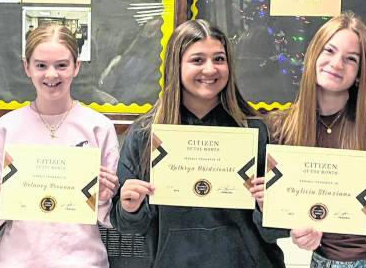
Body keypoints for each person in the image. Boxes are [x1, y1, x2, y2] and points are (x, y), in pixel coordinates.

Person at [110, 19, 285, 267]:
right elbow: (127, 226)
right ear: (176, 65)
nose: (210, 69)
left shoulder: (254, 131)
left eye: (219, 59)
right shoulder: (146, 134)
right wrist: (130, 207)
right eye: (197, 60)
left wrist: (271, 207)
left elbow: (277, 231)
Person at [264, 12, 366, 268]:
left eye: (351, 59)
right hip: (325, 261)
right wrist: (297, 231)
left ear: (361, 71)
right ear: (314, 53)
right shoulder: (282, 127)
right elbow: (281, 207)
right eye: (329, 51)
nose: (337, 63)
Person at [0, 24, 119, 267]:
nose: (51, 75)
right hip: (16, 260)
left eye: (62, 65)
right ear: (27, 67)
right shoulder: (8, 127)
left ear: (76, 67)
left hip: (82, 261)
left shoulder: (99, 127)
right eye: (41, 65)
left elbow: (108, 218)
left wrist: (106, 197)